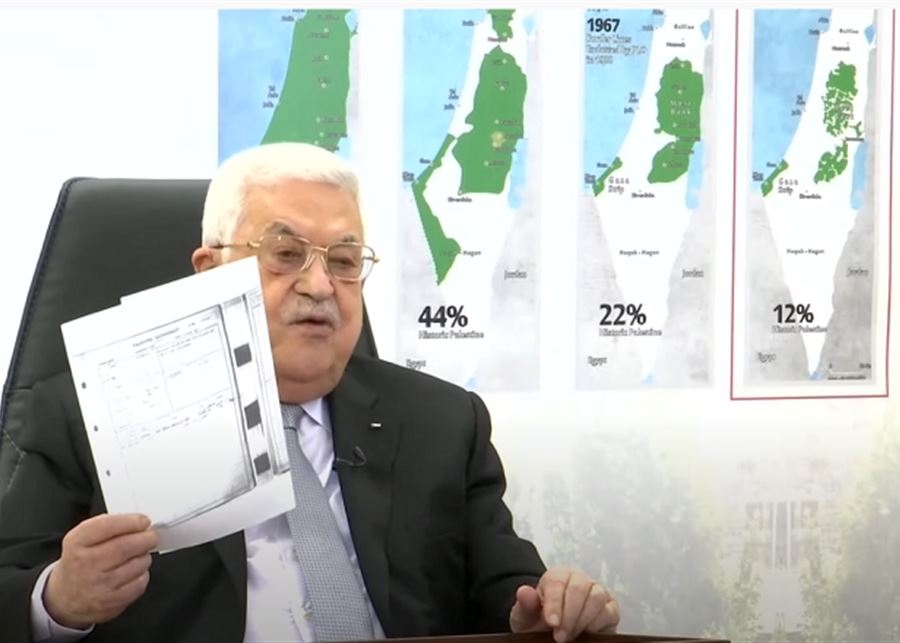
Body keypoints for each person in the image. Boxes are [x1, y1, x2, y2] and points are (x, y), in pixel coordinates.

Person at [0, 142, 619, 642]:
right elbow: (10, 588)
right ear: (209, 271)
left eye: (344, 262)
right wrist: (60, 600)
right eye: (286, 253)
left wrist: (544, 607)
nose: (320, 285)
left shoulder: (444, 421)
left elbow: (507, 591)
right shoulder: (88, 415)